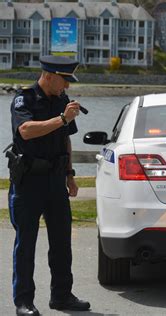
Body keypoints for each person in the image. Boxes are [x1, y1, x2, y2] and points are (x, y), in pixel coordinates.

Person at [7, 55, 90, 316]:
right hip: (28, 181)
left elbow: (65, 139)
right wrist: (61, 119)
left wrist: (70, 174)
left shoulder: (61, 101)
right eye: (64, 81)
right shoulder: (25, 98)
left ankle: (62, 296)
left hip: (55, 182)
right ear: (50, 75)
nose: (67, 87)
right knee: (26, 244)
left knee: (62, 243)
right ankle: (23, 302)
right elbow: (27, 130)